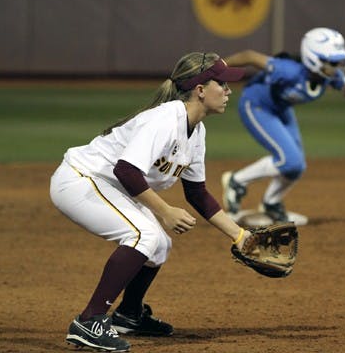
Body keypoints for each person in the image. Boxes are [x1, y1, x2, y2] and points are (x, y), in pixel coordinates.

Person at [49, 52, 252, 352]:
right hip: (81, 180)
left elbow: (197, 193)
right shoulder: (165, 119)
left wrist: (240, 236)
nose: (228, 90)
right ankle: (89, 320)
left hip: (111, 186)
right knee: (144, 234)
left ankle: (129, 314)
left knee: (159, 245)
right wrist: (165, 211)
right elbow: (126, 170)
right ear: (199, 90)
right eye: (221, 83)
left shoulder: (197, 131)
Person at [220, 27, 345, 225]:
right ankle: (237, 181)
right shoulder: (288, 70)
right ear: (314, 59)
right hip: (256, 105)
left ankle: (271, 204)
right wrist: (218, 68)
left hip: (280, 108)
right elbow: (250, 56)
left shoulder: (331, 75)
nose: (337, 67)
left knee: (296, 167)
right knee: (290, 161)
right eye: (333, 62)